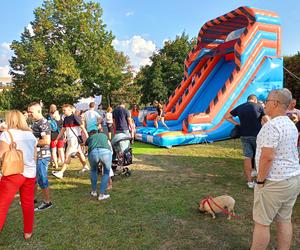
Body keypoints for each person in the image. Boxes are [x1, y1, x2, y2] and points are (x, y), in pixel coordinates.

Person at [251, 89, 300, 250]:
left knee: (262, 223)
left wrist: (260, 181)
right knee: (284, 219)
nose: (265, 103)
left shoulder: (271, 126)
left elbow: (267, 157)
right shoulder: (290, 124)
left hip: (275, 182)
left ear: (276, 103)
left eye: (267, 100)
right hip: (293, 179)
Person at [0, 110, 37, 240]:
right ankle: (28, 232)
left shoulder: (6, 134)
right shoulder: (31, 135)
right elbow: (34, 156)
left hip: (13, 173)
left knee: (2, 205)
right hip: (30, 172)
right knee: (27, 203)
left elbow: (2, 155)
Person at [225, 94, 269, 188]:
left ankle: (249, 182)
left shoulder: (240, 107)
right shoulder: (258, 106)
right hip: (257, 135)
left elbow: (227, 116)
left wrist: (237, 124)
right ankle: (259, 180)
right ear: (254, 99)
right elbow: (267, 120)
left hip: (244, 135)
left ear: (248, 99)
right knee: (259, 157)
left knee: (247, 157)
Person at [52, 104, 89, 179]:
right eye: (63, 110)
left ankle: (61, 173)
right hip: (71, 139)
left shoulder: (75, 117)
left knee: (68, 155)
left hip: (74, 139)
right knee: (79, 153)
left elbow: (83, 127)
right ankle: (85, 166)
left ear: (70, 110)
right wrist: (57, 139)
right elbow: (63, 130)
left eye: (65, 110)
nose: (63, 111)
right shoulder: (65, 119)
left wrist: (87, 138)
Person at [27, 102, 53, 211]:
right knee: (35, 178)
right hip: (37, 155)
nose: (29, 114)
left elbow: (46, 141)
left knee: (42, 178)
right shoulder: (36, 122)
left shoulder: (44, 123)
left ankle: (47, 202)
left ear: (38, 111)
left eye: (31, 112)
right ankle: (32, 198)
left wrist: (33, 142)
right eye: (28, 112)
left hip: (42, 155)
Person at [85, 129, 112, 201]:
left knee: (93, 171)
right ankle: (102, 194)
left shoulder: (90, 138)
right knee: (106, 172)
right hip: (106, 152)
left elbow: (86, 149)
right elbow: (109, 144)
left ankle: (94, 192)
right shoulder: (104, 135)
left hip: (93, 153)